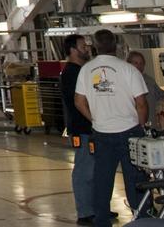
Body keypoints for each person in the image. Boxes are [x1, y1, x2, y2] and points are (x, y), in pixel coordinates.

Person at [75, 30, 148, 227]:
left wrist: (95, 119)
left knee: (102, 180)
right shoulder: (128, 70)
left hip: (102, 133)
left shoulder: (86, 70)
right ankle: (142, 218)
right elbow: (141, 103)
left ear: (95, 46)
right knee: (136, 179)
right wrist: (141, 126)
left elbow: (79, 102)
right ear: (116, 45)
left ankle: (101, 221)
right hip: (130, 131)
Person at [59, 34, 95, 225]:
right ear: (73, 49)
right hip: (82, 128)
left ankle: (96, 207)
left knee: (94, 169)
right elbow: (80, 101)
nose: (87, 48)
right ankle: (85, 212)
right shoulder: (72, 73)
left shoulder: (82, 70)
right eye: (83, 46)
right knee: (84, 170)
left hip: (90, 127)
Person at [126, 51, 164, 129]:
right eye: (136, 63)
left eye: (141, 63)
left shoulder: (149, 81)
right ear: (128, 64)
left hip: (150, 126)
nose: (139, 66)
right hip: (130, 127)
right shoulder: (123, 82)